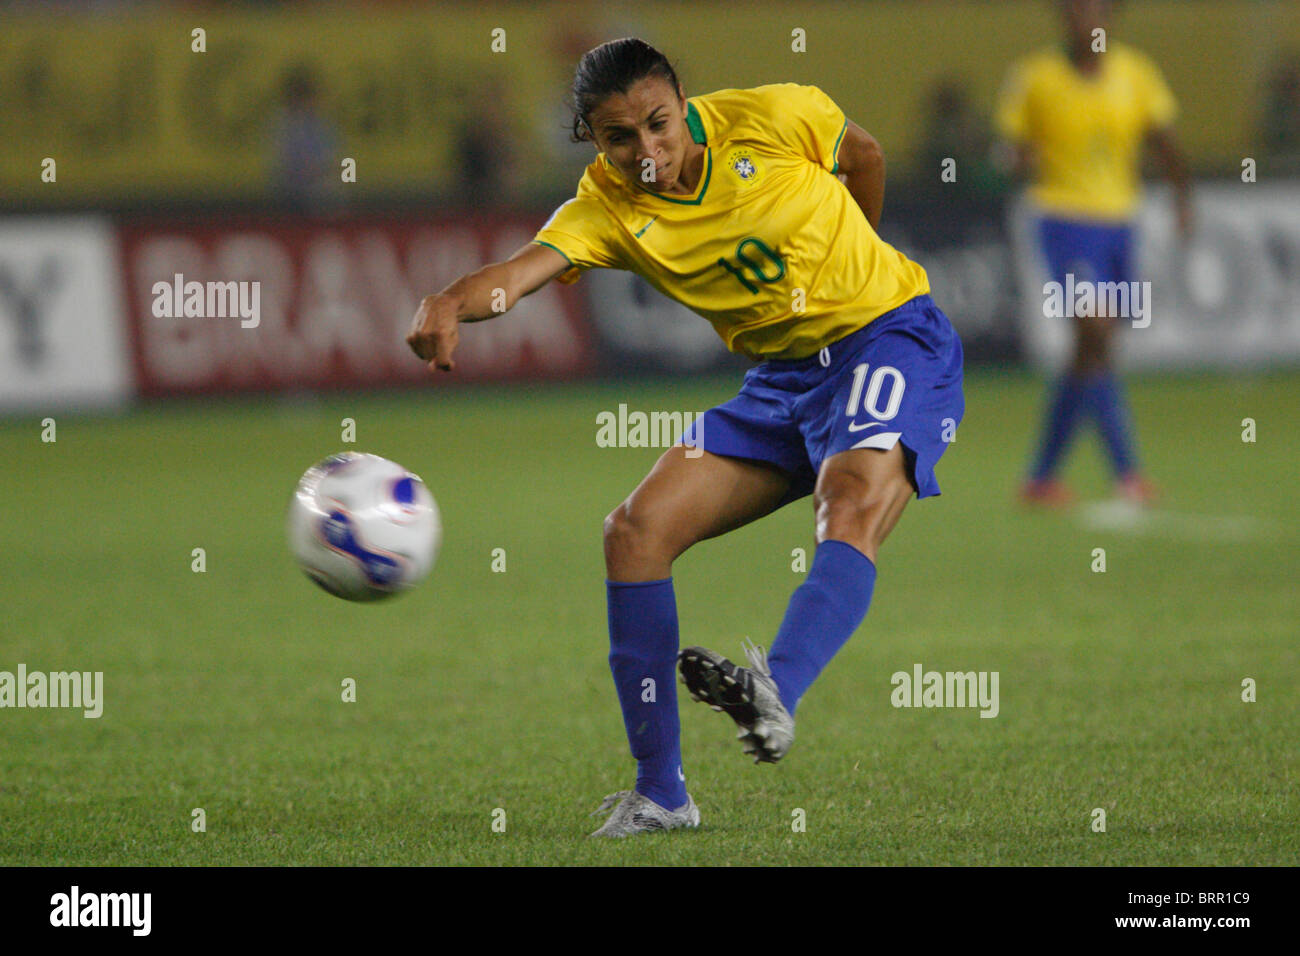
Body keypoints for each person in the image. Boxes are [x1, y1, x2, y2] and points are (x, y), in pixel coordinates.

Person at [406, 38, 964, 837]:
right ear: (591, 140)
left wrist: (863, 256)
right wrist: (453, 300)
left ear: (684, 103)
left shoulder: (771, 116)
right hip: (781, 381)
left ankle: (779, 689)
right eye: (619, 138)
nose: (646, 152)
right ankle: (661, 793)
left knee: (850, 497)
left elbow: (864, 154)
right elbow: (523, 273)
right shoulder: (608, 209)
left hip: (889, 339)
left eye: (659, 125)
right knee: (634, 533)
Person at [995, 0, 1190, 506]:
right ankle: (1127, 473)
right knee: (1095, 328)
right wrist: (1018, 158)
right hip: (1062, 220)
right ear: (1064, 19)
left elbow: (1165, 140)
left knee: (1093, 351)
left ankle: (1040, 477)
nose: (1087, 22)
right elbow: (1008, 150)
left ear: (1110, 20)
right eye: (1077, 12)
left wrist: (1182, 202)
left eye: (1096, 12)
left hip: (1121, 223)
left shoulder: (1137, 72)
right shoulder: (1034, 75)